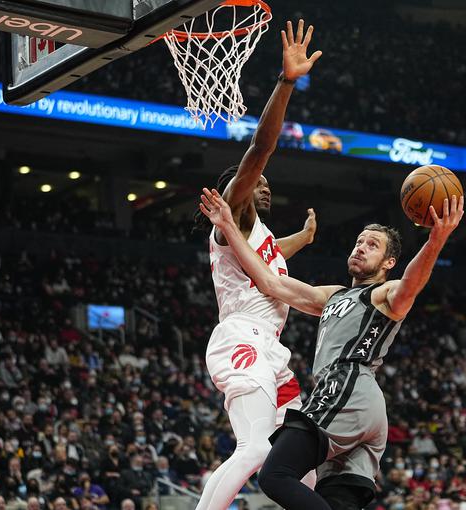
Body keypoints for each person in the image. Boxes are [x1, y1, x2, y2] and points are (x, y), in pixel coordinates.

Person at [199, 188, 464, 509]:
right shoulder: (333, 296)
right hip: (362, 411)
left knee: (275, 473)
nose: (361, 248)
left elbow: (411, 284)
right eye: (359, 242)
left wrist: (436, 239)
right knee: (331, 499)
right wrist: (227, 226)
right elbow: (271, 282)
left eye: (372, 245)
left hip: (348, 392)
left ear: (389, 263)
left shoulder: (383, 295)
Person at [193, 18, 322, 510]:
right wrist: (287, 83)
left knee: (301, 459)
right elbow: (259, 149)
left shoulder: (261, 236)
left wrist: (303, 239)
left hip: (271, 346)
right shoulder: (235, 214)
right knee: (254, 449)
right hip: (241, 336)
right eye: (256, 181)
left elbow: (272, 257)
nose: (265, 183)